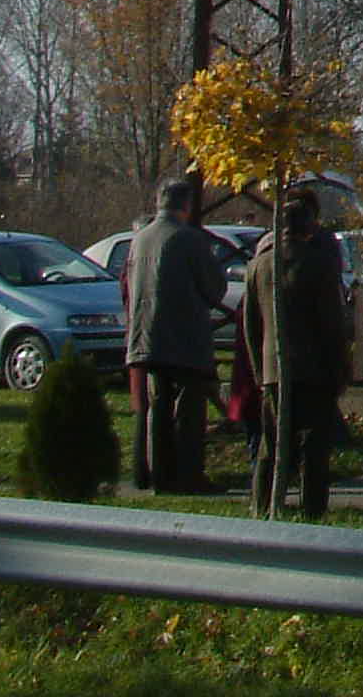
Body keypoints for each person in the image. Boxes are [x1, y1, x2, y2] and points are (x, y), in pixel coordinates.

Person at [242, 184, 352, 519]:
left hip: (274, 370)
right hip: (314, 371)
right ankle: (312, 513)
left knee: (270, 445)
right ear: (311, 226)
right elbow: (332, 325)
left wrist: (261, 373)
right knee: (314, 451)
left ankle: (261, 507)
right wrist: (338, 373)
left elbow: (251, 326)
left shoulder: (258, 266)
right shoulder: (319, 264)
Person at [124, 177, 227, 495]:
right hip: (184, 339)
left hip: (146, 337)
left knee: (157, 408)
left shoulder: (140, 239)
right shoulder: (189, 239)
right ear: (186, 205)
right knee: (188, 411)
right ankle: (188, 475)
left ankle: (160, 475)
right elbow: (214, 290)